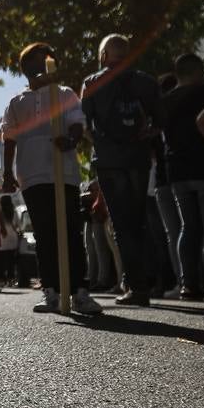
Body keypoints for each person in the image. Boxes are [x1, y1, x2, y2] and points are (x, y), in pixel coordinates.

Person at [1, 43, 103, 315]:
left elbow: (77, 123)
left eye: (47, 59)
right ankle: (52, 291)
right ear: (26, 68)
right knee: (45, 234)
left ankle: (80, 291)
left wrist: (70, 140)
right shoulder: (16, 102)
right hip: (31, 174)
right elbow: (9, 138)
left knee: (70, 230)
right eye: (36, 61)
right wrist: (7, 174)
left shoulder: (64, 94)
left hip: (63, 172)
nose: (43, 65)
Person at [80, 34, 164, 306]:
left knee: (121, 224)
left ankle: (137, 286)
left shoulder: (92, 83)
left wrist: (103, 145)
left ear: (104, 55)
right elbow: (160, 122)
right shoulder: (146, 82)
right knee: (139, 222)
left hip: (109, 162)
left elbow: (84, 126)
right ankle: (151, 281)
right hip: (138, 160)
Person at [163, 53, 204, 300]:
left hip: (178, 170)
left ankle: (189, 284)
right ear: (198, 71)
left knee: (187, 227)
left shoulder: (165, 101)